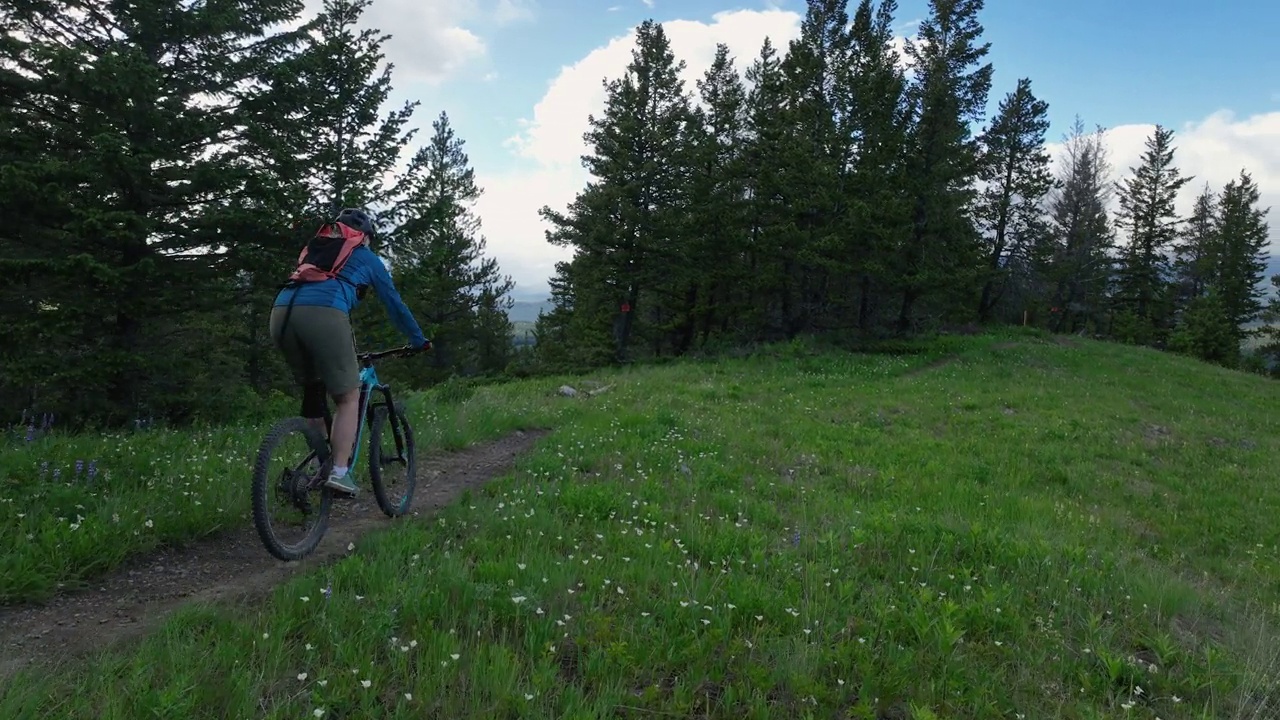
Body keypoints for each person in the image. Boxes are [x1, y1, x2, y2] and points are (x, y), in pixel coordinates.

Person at [269, 207, 430, 496]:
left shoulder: (315, 249)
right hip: (323, 314)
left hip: (280, 313)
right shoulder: (367, 257)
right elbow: (394, 303)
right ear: (365, 237)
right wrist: (418, 339)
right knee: (348, 396)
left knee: (314, 391)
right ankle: (340, 473)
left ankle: (322, 464)